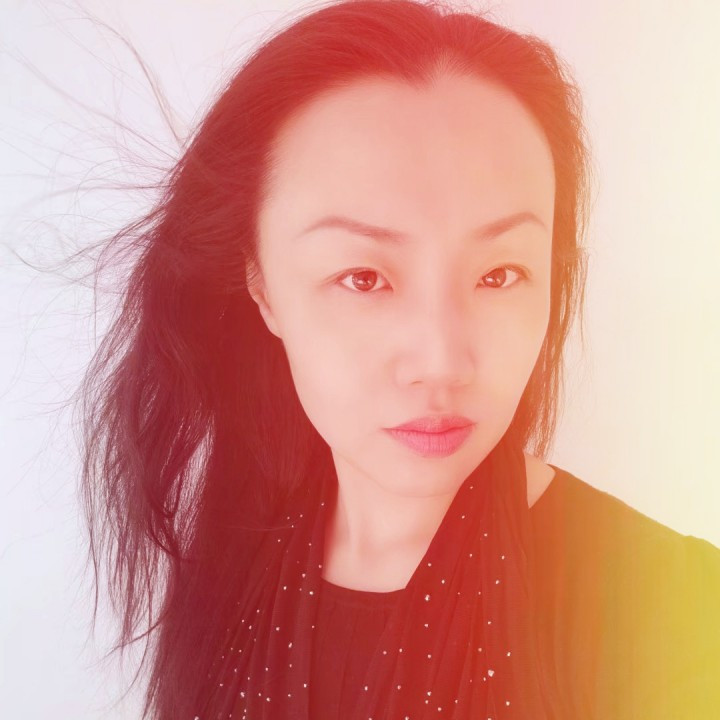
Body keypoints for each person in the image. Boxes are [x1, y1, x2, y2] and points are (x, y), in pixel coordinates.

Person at [75, 0, 720, 718]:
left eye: (499, 274)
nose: (441, 362)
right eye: (364, 278)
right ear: (261, 284)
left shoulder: (674, 614)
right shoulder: (231, 562)